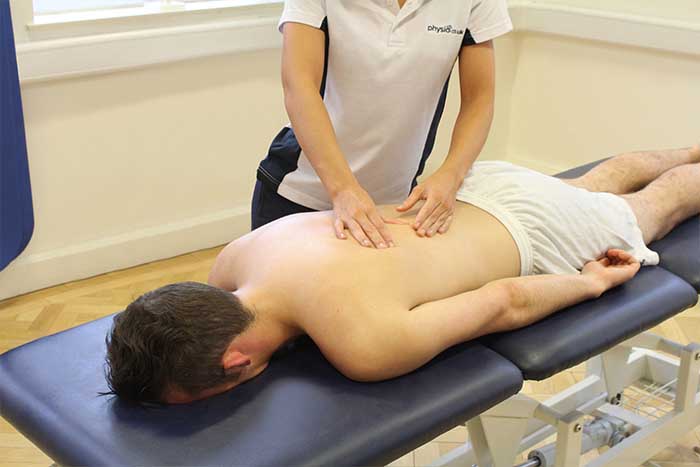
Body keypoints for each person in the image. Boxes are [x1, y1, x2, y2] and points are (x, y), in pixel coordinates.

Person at [105, 145, 700, 405]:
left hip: (535, 233)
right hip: (467, 190)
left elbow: (504, 302)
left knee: (661, 205)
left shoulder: (363, 344)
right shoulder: (237, 257)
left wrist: (591, 282)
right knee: (609, 173)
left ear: (235, 364)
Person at [252, 0, 513, 248]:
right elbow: (300, 88)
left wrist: (451, 175)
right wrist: (343, 189)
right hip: (298, 197)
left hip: (393, 208)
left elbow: (479, 99)